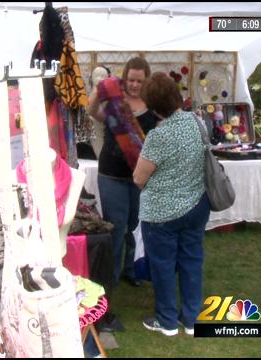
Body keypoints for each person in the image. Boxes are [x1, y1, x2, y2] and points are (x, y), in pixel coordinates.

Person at [133, 72, 211, 337]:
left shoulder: (158, 136)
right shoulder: (197, 123)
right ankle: (191, 320)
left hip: (162, 213)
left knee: (163, 265)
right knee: (192, 260)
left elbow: (138, 178)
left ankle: (167, 321)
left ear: (153, 105)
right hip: (197, 204)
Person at [87, 57, 160, 290]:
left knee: (134, 226)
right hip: (112, 175)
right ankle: (112, 276)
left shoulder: (153, 105)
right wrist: (100, 91)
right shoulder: (115, 102)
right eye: (131, 80)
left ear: (146, 81)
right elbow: (93, 112)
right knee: (116, 227)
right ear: (124, 78)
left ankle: (131, 269)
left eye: (139, 81)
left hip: (139, 178)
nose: (135, 85)